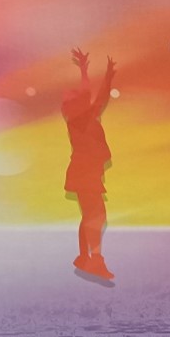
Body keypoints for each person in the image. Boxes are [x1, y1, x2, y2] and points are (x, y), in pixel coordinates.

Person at [62, 48, 116, 281]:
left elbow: (99, 97)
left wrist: (106, 76)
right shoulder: (77, 118)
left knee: (90, 216)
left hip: (86, 172)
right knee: (97, 216)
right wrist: (85, 71)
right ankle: (95, 261)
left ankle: (85, 258)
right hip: (84, 173)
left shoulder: (85, 117)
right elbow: (90, 94)